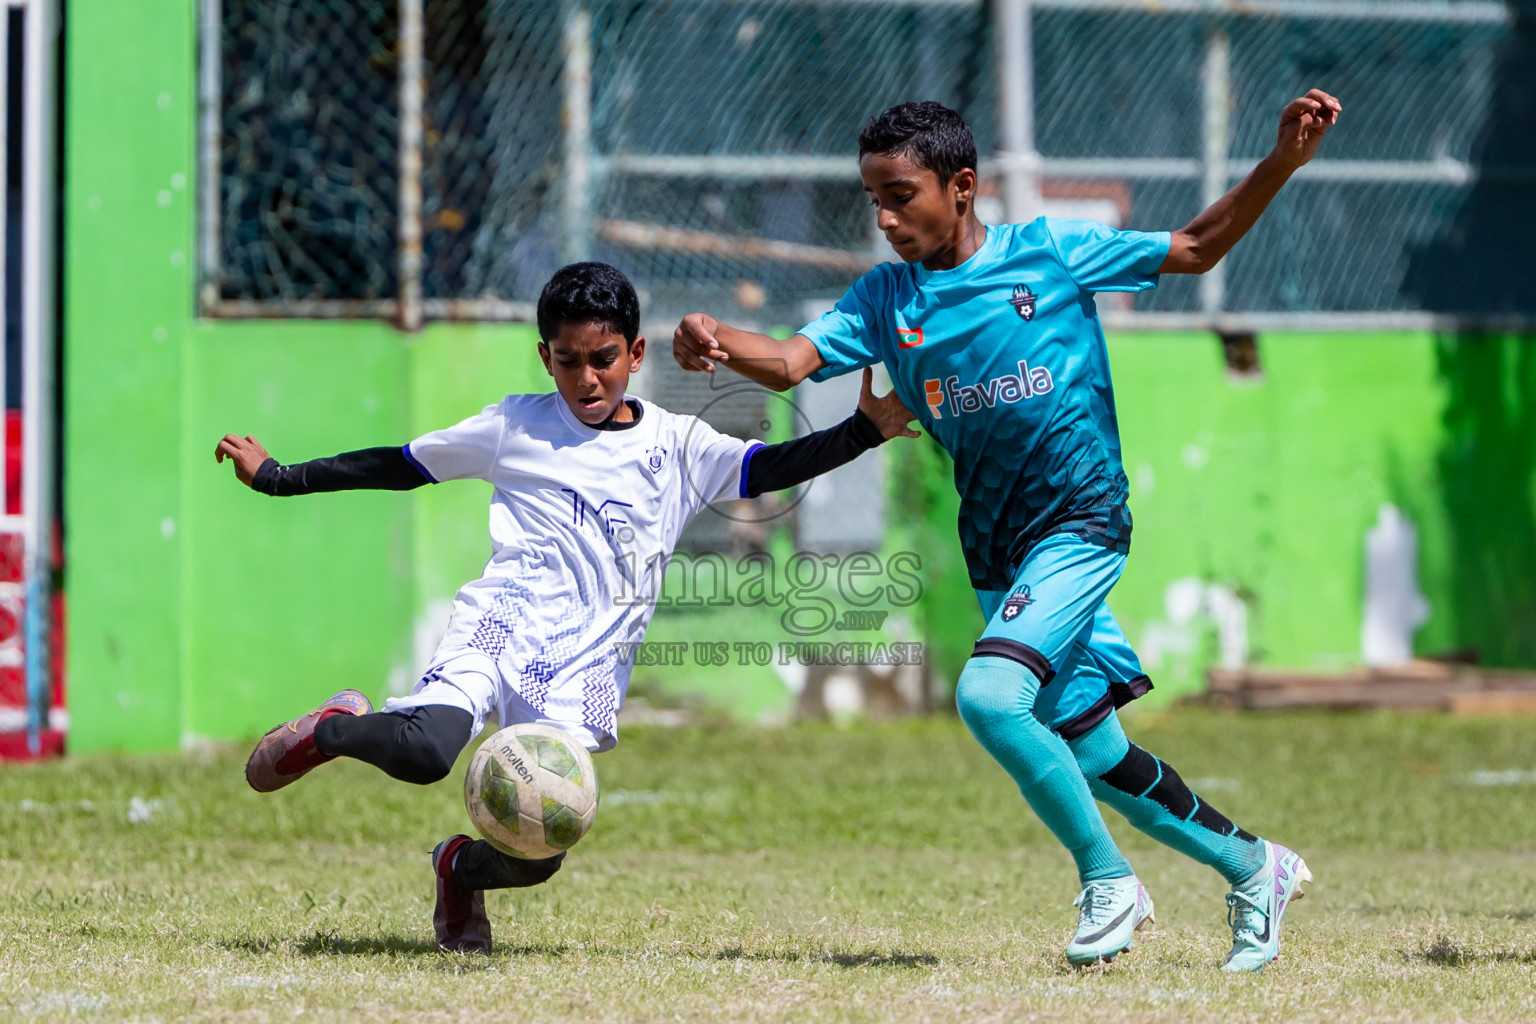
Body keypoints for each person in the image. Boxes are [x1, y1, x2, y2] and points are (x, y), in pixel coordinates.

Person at [671, 93, 1342, 971]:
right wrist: (718, 337)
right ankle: (1256, 869)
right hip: (998, 550)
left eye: (900, 193)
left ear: (962, 186)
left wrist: (1281, 163)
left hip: (1083, 522)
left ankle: (1109, 880)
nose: (884, 216)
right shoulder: (885, 298)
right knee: (1098, 752)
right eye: (872, 196)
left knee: (991, 698)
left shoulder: (1049, 253)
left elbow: (1195, 246)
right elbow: (793, 361)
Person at [216, 261, 919, 953]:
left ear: (636, 354)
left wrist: (862, 430)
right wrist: (280, 477)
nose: (587, 378)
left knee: (540, 847)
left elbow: (764, 468)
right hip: (501, 625)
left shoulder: (675, 444)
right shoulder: (514, 427)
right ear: (545, 358)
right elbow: (402, 463)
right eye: (568, 361)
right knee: (428, 752)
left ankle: (458, 870)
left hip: (583, 670)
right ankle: (336, 728)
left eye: (604, 359)